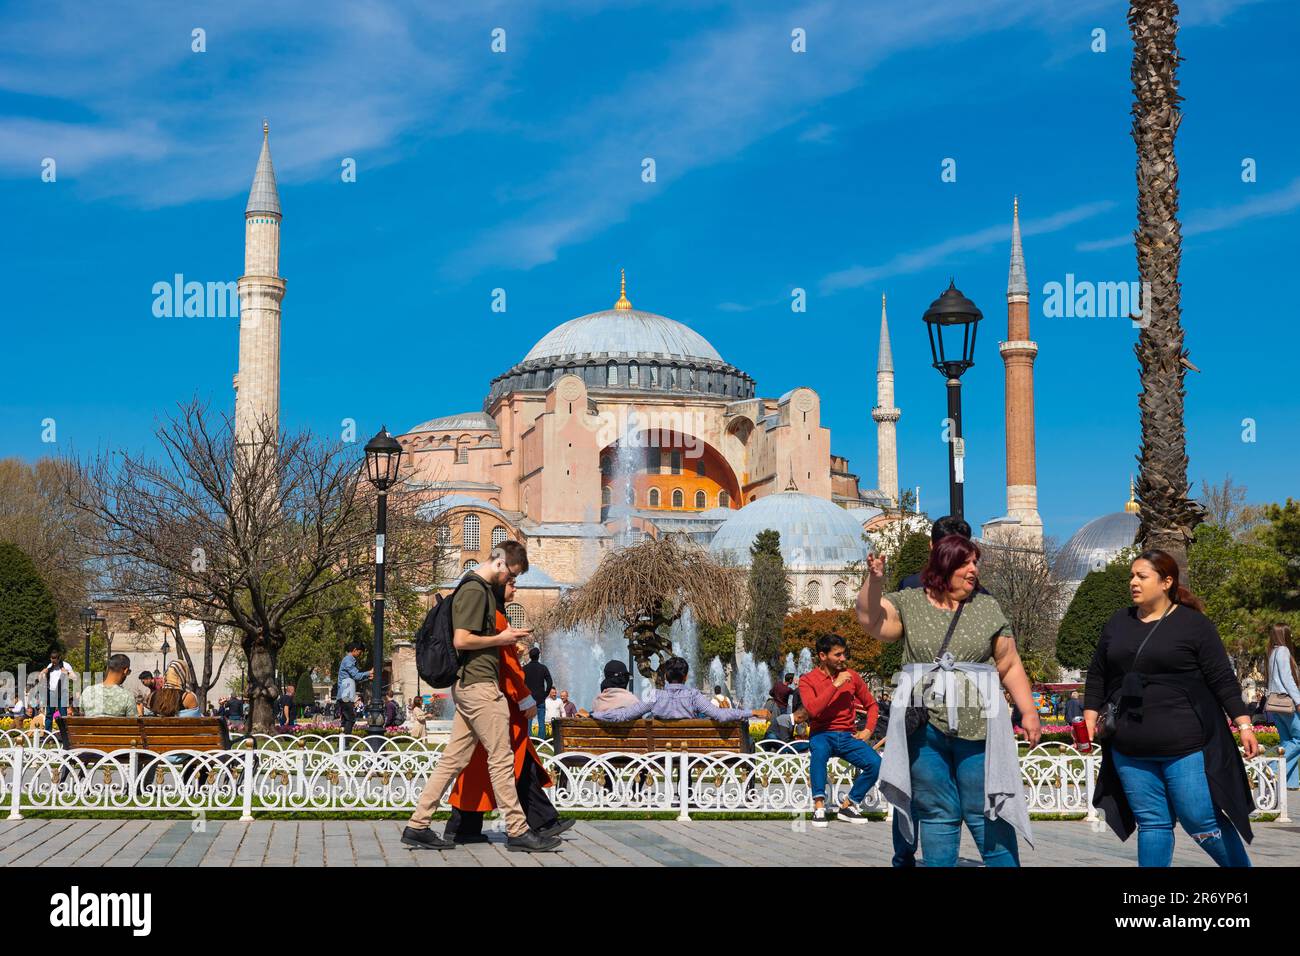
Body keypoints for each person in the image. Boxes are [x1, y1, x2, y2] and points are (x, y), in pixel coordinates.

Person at [860, 534, 1039, 867]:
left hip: (979, 726)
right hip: (925, 729)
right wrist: (875, 581)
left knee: (986, 810)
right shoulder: (910, 602)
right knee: (936, 810)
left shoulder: (986, 606)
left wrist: (1029, 711)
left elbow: (1010, 663)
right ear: (944, 565)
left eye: (975, 563)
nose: (973, 570)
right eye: (965, 563)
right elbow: (872, 620)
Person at [1084, 549, 1257, 867]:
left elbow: (1222, 678)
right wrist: (1089, 718)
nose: (1133, 582)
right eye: (1132, 576)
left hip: (1185, 746)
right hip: (1129, 747)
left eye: (1142, 576)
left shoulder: (1193, 624)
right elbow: (1097, 675)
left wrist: (1244, 724)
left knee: (1200, 820)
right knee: (1152, 823)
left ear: (1166, 582)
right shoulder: (1118, 622)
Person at [402, 540, 560, 853]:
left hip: (472, 686)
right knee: (501, 760)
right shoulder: (475, 590)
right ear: (499, 562)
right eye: (511, 574)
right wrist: (502, 638)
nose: (510, 581)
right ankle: (518, 831)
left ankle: (418, 825)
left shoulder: (479, 589)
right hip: (480, 687)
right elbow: (462, 640)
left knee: (453, 760)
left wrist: (503, 640)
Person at [444, 575, 573, 845]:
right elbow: (507, 666)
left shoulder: (490, 616)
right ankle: (533, 823)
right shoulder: (498, 619)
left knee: (489, 765)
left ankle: (466, 825)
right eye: (511, 584)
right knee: (508, 763)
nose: (515, 589)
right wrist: (524, 697)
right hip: (501, 705)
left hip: (490, 700)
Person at [798, 634, 880, 826]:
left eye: (844, 654)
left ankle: (848, 805)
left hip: (847, 735)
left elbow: (872, 705)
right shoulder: (807, 680)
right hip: (822, 734)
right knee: (819, 753)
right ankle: (819, 807)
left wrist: (868, 730)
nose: (843, 658)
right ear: (822, 656)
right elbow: (813, 710)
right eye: (838, 655)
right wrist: (835, 684)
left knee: (876, 764)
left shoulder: (852, 676)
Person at [593, 657, 758, 721]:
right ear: (685, 677)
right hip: (688, 753)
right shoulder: (693, 696)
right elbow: (719, 714)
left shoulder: (654, 696)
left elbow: (624, 715)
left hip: (660, 753)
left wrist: (594, 714)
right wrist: (752, 712)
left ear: (665, 676)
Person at [1264, 624, 1300, 790]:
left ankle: (1290, 782)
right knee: (1298, 739)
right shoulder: (1284, 651)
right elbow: (1287, 679)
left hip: (1274, 704)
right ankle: (1272, 769)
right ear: (1284, 635)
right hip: (1285, 703)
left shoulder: (1272, 653)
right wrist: (1298, 701)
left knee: (1286, 741)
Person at [337, 641, 371, 736]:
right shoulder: (348, 660)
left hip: (345, 694)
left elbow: (355, 678)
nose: (360, 655)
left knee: (345, 719)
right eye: (360, 652)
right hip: (345, 695)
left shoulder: (349, 660)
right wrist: (369, 673)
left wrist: (368, 676)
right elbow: (356, 675)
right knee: (350, 719)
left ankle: (342, 742)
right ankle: (346, 741)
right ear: (355, 650)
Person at [37, 650, 76, 730]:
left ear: (59, 659)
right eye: (52, 661)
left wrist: (67, 673)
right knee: (49, 714)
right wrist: (42, 673)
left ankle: (64, 733)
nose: (54, 664)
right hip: (51, 692)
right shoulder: (50, 666)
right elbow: (40, 679)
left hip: (62, 693)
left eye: (55, 662)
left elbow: (75, 678)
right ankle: (48, 734)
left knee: (63, 715)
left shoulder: (66, 665)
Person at [522, 647, 554, 739]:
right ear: (538, 656)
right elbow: (550, 682)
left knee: (528, 721)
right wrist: (545, 694)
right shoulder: (543, 668)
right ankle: (541, 740)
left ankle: (529, 740)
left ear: (530, 656)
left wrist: (524, 695)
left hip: (529, 698)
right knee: (541, 720)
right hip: (540, 698)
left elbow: (520, 682)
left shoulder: (524, 668)